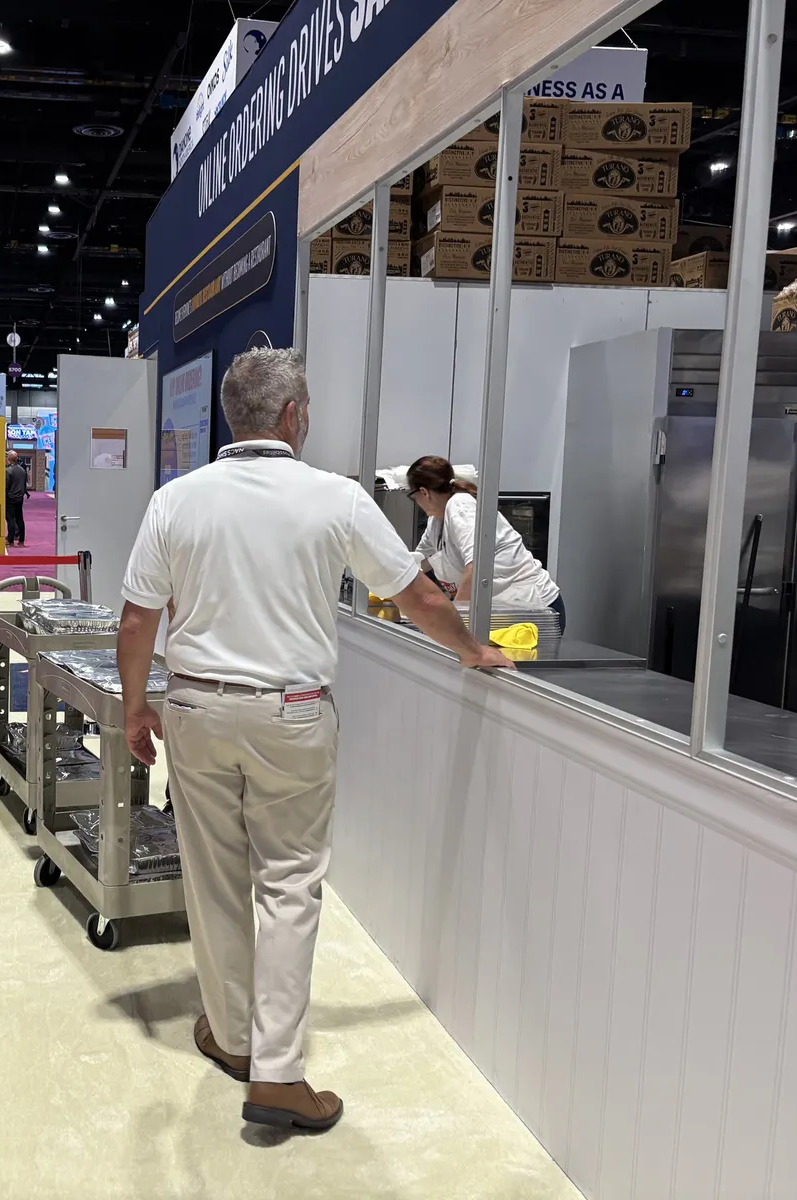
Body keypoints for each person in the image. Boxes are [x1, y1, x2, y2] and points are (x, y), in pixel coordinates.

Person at [115, 348, 515, 1133]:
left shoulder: (176, 499)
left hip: (194, 707)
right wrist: (473, 650)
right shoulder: (333, 498)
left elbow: (137, 618)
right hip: (292, 712)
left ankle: (231, 1038)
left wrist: (137, 710)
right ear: (293, 415)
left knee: (214, 878)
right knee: (290, 882)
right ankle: (278, 1072)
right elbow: (417, 597)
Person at [406, 454, 565, 632]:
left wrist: (455, 621)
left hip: (534, 610)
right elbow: (418, 563)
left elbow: (476, 567)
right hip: (503, 612)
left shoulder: (460, 506)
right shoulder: (436, 521)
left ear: (423, 492)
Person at [4, 449, 29, 546]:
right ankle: (21, 539)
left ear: (8, 459)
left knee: (10, 519)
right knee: (20, 519)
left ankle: (10, 540)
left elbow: (6, 485)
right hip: (20, 498)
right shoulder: (22, 470)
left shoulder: (8, 471)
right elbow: (24, 484)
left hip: (10, 498)